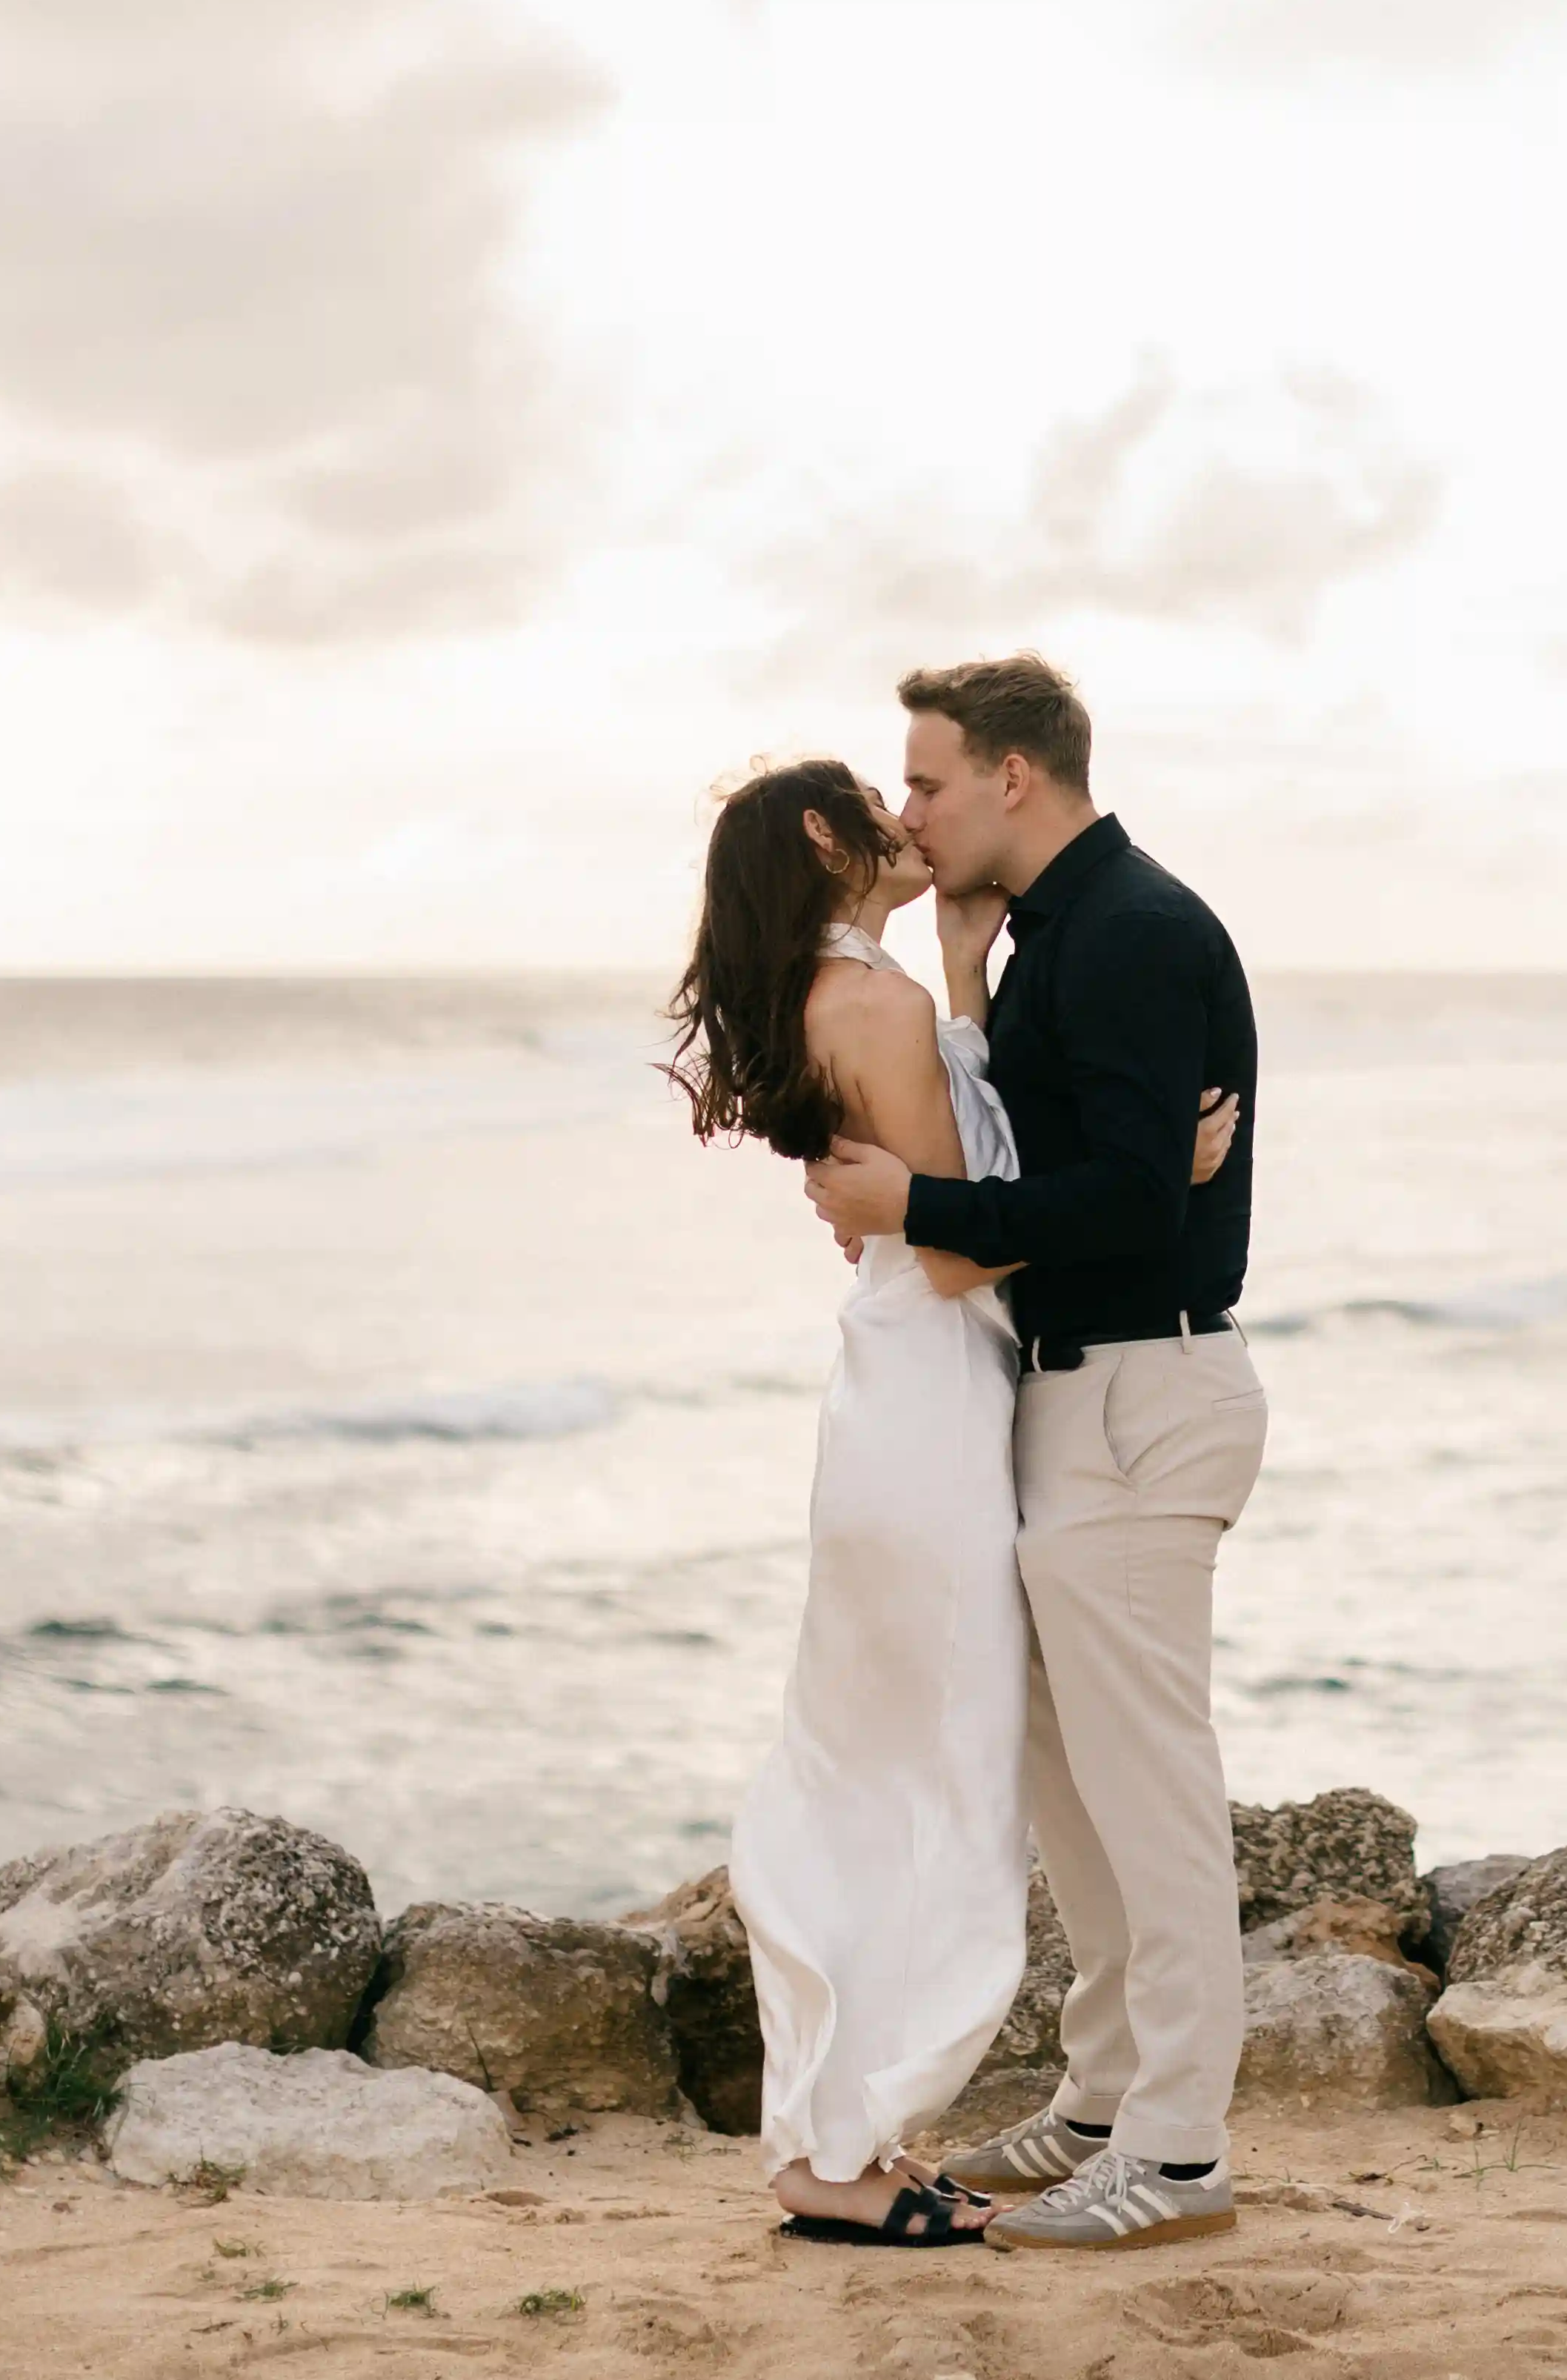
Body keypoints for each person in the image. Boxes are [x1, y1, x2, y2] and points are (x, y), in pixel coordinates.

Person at [664, 753, 1235, 2248]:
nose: (907, 815)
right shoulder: (872, 1000)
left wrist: (969, 978)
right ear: (822, 832)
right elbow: (955, 1243)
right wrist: (1150, 1179)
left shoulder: (859, 989)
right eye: (883, 793)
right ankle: (840, 2150)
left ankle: (839, 2138)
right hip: (931, 1406)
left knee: (886, 1764)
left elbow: (942, 1181)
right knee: (928, 1779)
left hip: (912, 1400)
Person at [804, 654, 1268, 2255]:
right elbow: (1061, 1148)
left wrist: (914, 1208)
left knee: (1151, 1791)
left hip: (1142, 1393)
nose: (909, 809)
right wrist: (960, 972)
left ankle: (1178, 2153)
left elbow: (1126, 1199)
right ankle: (1101, 2098)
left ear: (1014, 775)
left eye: (926, 780)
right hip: (1075, 1397)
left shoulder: (1129, 929)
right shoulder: (1053, 932)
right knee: (1070, 1782)